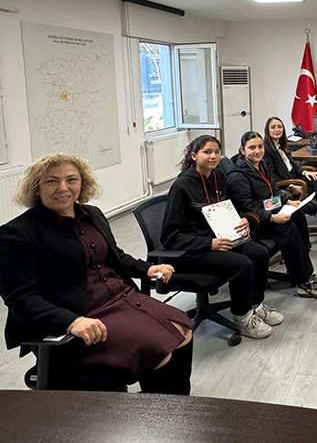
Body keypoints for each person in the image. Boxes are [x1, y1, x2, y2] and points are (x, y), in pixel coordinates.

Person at [0, 153, 193, 394]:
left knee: (184, 329)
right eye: (51, 181)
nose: (63, 187)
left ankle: (183, 404)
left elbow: (115, 255)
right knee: (156, 349)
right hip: (79, 316)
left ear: (82, 183)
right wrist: (72, 321)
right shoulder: (17, 233)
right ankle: (161, 413)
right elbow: (22, 300)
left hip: (121, 299)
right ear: (36, 188)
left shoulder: (93, 214)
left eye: (71, 179)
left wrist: (147, 268)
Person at [161, 135, 283, 340]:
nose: (213, 156)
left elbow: (228, 207)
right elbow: (169, 237)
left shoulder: (218, 176)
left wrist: (242, 219)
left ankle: (256, 305)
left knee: (259, 252)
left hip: (221, 239)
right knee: (242, 264)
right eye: (207, 152)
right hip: (194, 249)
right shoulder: (182, 186)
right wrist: (210, 243)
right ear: (194, 156)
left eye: (217, 152)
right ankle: (242, 317)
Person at [225, 131, 317, 297]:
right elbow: (247, 207)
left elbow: (273, 191)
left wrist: (286, 201)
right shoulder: (237, 176)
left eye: (260, 147)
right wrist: (273, 217)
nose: (257, 151)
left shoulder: (262, 164)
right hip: (253, 222)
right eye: (252, 148)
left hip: (266, 211)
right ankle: (303, 281)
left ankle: (301, 266)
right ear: (242, 150)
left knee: (298, 215)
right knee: (287, 228)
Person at [262, 116, 317, 242]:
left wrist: (305, 172)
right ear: (267, 131)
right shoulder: (267, 150)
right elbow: (272, 177)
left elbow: (293, 166)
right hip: (286, 185)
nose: (277, 130)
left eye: (279, 127)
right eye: (273, 127)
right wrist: (290, 186)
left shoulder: (282, 145)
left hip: (294, 178)